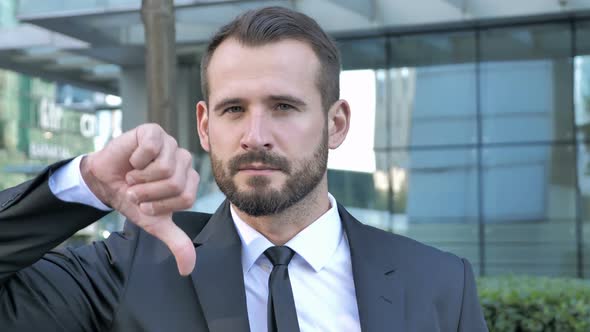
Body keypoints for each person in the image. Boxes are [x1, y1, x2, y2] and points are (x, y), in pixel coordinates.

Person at [0, 6, 488, 332]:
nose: (255, 134)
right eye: (234, 109)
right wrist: (84, 184)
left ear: (336, 124)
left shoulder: (439, 284)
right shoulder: (133, 267)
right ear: (205, 126)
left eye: (282, 106)